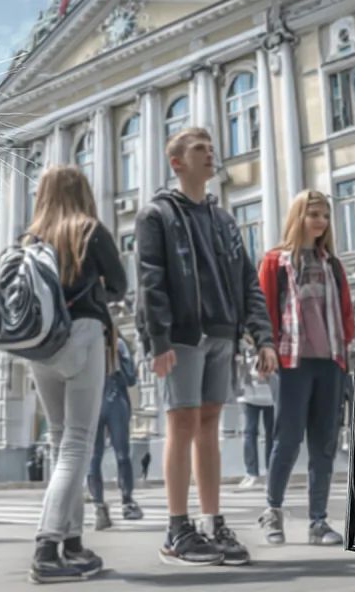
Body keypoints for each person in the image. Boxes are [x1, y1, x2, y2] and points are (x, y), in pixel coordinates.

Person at [136, 127, 276, 567]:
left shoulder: (224, 220)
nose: (211, 154)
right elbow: (151, 280)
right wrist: (157, 340)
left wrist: (262, 336)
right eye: (200, 149)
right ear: (176, 162)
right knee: (182, 423)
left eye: (212, 148)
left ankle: (212, 521)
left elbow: (248, 281)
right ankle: (177, 530)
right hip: (181, 335)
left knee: (209, 426)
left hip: (223, 333)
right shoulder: (156, 215)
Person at [24, 165, 127, 583]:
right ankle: (47, 547)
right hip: (83, 336)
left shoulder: (31, 240)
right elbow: (119, 285)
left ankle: (72, 543)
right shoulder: (90, 230)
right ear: (81, 191)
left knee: (60, 438)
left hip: (39, 345)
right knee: (78, 442)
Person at [256, 189, 355, 546]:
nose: (321, 222)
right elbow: (264, 309)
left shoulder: (333, 264)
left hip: (330, 363)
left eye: (325, 216)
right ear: (298, 216)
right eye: (314, 214)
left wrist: (345, 359)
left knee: (323, 444)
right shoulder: (275, 262)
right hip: (291, 362)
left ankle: (318, 522)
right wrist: (263, 349)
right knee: (288, 439)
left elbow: (346, 314)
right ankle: (273, 511)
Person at [88, 335, 144, 530]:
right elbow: (130, 378)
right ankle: (127, 503)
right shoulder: (117, 342)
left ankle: (99, 507)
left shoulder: (84, 338)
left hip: (91, 401)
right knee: (122, 454)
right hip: (115, 397)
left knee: (94, 457)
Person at [237, 336, 276, 489]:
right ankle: (251, 473)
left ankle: (271, 473)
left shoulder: (270, 344)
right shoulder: (243, 345)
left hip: (271, 396)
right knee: (248, 433)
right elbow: (240, 368)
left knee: (271, 435)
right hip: (249, 396)